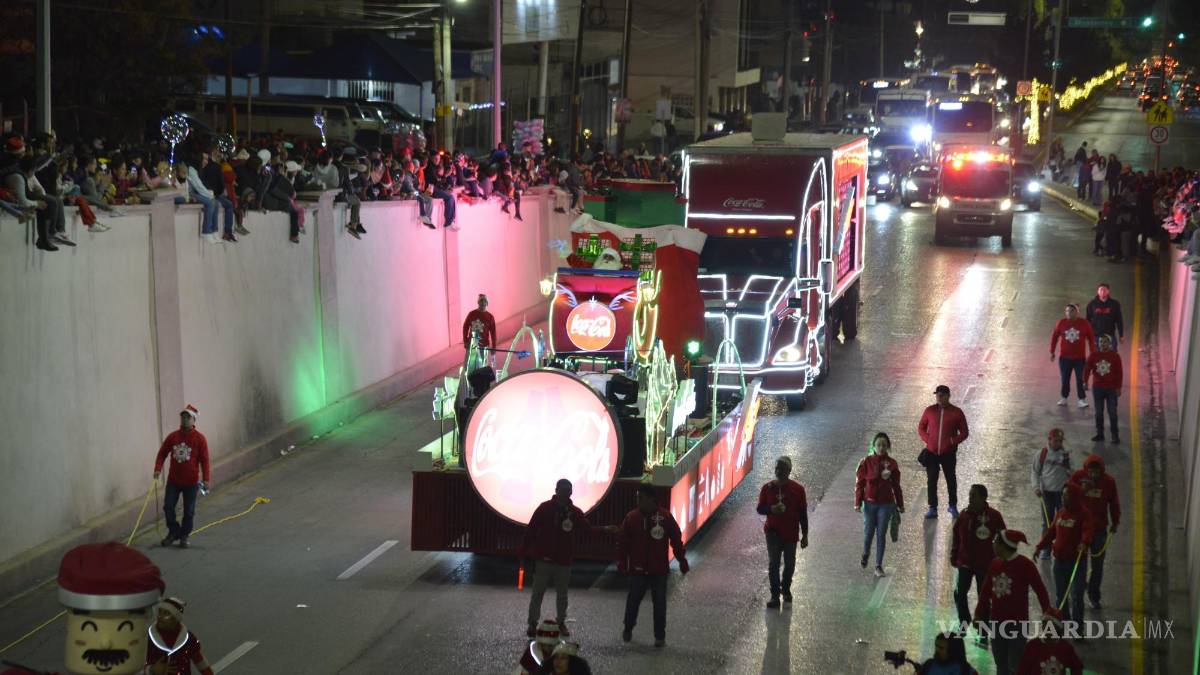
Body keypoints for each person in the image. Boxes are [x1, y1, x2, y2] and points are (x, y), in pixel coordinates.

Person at [519, 479, 616, 637]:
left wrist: (605, 529)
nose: (565, 493)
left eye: (568, 490)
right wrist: (523, 552)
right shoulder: (545, 508)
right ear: (556, 490)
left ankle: (560, 622)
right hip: (544, 559)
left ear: (571, 492)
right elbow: (531, 530)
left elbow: (588, 530)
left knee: (561, 595)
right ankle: (532, 624)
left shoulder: (574, 512)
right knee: (538, 593)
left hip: (563, 561)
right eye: (563, 490)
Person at [617, 484, 689, 647]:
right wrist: (622, 562)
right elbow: (623, 543)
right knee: (633, 601)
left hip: (658, 570)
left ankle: (659, 635)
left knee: (659, 603)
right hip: (638, 569)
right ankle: (628, 627)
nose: (638, 500)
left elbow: (676, 539)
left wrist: (682, 560)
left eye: (640, 497)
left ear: (651, 499)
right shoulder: (632, 518)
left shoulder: (665, 517)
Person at [973, 530, 1051, 675]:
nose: (993, 545)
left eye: (995, 542)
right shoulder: (994, 564)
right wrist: (978, 613)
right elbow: (985, 592)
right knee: (1000, 663)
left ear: (1004, 546)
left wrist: (1048, 616)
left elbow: (1041, 591)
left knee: (1016, 664)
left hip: (1018, 624)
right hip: (996, 622)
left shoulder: (1025, 565)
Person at [1034, 483, 1095, 626]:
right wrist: (1040, 547)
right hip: (1059, 562)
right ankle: (1064, 623)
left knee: (1076, 595)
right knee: (1061, 596)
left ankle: (1077, 627)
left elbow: (1088, 531)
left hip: (1076, 562)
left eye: (1066, 495)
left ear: (1074, 497)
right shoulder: (1061, 512)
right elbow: (1051, 533)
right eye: (1063, 495)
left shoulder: (1084, 514)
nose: (1063, 498)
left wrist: (1084, 543)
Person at [153, 405, 211, 548]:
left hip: (191, 483)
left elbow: (205, 461)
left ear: (194, 420)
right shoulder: (173, 437)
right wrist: (157, 469)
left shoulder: (200, 439)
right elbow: (162, 454)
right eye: (183, 417)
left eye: (188, 417)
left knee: (189, 511)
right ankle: (174, 532)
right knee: (168, 507)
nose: (185, 419)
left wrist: (206, 479)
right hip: (173, 481)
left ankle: (184, 535)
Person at [951, 485, 1006, 634]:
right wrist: (954, 555)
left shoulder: (994, 516)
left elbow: (1003, 538)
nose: (970, 498)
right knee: (959, 593)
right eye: (970, 495)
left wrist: (1001, 561)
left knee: (984, 598)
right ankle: (964, 620)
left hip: (985, 565)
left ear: (983, 498)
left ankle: (983, 630)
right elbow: (956, 536)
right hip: (965, 563)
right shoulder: (964, 515)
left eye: (973, 495)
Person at [1068, 454, 1120, 609]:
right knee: (1077, 562)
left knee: (1097, 566)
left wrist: (1115, 521)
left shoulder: (1109, 482)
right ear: (1086, 470)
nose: (1093, 475)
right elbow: (1067, 494)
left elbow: (1114, 503)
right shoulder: (1078, 477)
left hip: (1099, 530)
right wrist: (1081, 490)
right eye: (1091, 471)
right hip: (1080, 529)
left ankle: (1093, 595)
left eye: (1097, 472)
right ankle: (1077, 591)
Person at [756, 455, 809, 606]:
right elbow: (760, 508)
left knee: (790, 564)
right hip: (773, 532)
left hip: (791, 533)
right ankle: (774, 595)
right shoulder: (767, 488)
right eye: (776, 468)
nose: (778, 471)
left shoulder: (798, 490)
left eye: (782, 469)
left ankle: (785, 589)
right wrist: (772, 509)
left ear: (789, 471)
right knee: (773, 564)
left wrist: (805, 535)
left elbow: (803, 514)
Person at [854, 432, 903, 577]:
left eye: (884, 445)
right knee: (868, 533)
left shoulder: (892, 464)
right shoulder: (866, 462)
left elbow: (896, 486)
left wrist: (900, 504)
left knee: (881, 534)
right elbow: (860, 484)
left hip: (886, 505)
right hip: (869, 504)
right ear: (873, 446)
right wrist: (857, 503)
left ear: (888, 447)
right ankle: (865, 553)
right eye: (878, 445)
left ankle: (878, 565)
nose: (881, 447)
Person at [917, 385, 969, 518]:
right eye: (937, 395)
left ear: (948, 396)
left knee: (950, 479)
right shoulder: (929, 410)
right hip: (932, 453)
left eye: (941, 395)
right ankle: (932, 508)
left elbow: (964, 432)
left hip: (948, 453)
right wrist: (928, 439)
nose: (938, 397)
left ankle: (952, 506)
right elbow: (921, 427)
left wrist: (952, 441)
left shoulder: (956, 412)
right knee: (932, 480)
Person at [1030, 429, 1073, 561]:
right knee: (1047, 524)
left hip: (1062, 495)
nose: (1058, 443)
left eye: (1061, 441)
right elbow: (1035, 472)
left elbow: (1074, 473)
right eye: (1056, 441)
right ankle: (1046, 550)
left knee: (1063, 523)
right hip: (1047, 494)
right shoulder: (1042, 454)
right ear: (1049, 440)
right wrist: (1036, 487)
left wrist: (1068, 467)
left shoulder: (1066, 455)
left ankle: (1063, 549)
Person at [145, 597, 215, 675]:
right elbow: (133, 666)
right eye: (160, 612)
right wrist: (151, 670)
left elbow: (200, 663)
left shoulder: (189, 639)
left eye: (166, 613)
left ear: (176, 618)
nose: (160, 617)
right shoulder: (147, 638)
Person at [1015, 609, 1084, 674]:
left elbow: (1077, 667)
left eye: (1052, 626)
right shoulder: (1032, 646)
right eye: (1045, 624)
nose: (1048, 628)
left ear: (1058, 629)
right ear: (1042, 626)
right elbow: (1022, 670)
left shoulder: (1066, 648)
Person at [1050, 304, 1094, 407]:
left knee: (1081, 379)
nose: (1069, 313)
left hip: (1080, 358)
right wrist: (1052, 351)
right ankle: (1064, 397)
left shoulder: (1084, 323)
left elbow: (1091, 338)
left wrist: (1093, 353)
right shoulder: (1061, 323)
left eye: (1072, 311)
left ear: (1077, 312)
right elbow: (1054, 337)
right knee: (1065, 378)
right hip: (1065, 358)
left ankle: (1081, 400)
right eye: (1067, 311)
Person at [1084, 334, 1123, 443]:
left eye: (1105, 342)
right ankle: (1100, 434)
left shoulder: (1115, 356)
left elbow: (1119, 373)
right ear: (1098, 343)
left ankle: (1115, 435)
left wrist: (1118, 387)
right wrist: (1085, 381)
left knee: (1112, 413)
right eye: (1101, 342)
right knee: (1099, 413)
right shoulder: (1093, 356)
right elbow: (1087, 369)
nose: (1103, 344)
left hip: (1111, 389)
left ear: (1110, 344)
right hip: (1098, 388)